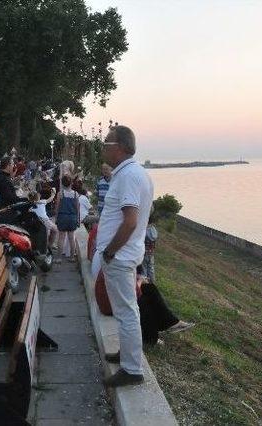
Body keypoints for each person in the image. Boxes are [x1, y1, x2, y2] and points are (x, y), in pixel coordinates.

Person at [95, 125, 154, 387]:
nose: (102, 147)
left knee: (126, 311)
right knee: (123, 310)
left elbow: (130, 221)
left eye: (106, 143)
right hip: (125, 254)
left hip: (119, 257)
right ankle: (126, 354)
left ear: (119, 147)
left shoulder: (128, 176)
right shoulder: (134, 173)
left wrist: (110, 251)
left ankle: (132, 369)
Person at [54, 175, 80, 263]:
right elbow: (77, 208)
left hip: (62, 217)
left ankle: (59, 258)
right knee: (71, 238)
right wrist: (77, 219)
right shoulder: (76, 194)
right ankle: (72, 257)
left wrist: (56, 218)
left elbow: (57, 207)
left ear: (62, 184)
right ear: (71, 183)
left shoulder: (60, 193)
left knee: (61, 238)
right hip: (72, 217)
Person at [0, 157, 25, 221]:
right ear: (7, 166)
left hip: (0, 208)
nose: (13, 166)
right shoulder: (4, 179)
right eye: (12, 164)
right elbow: (9, 198)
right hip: (7, 211)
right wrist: (25, 199)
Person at [143, 213, 158, 283]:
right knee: (151, 269)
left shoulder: (144, 230)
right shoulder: (154, 229)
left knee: (144, 269)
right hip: (151, 253)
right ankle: (152, 284)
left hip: (144, 253)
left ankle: (145, 285)